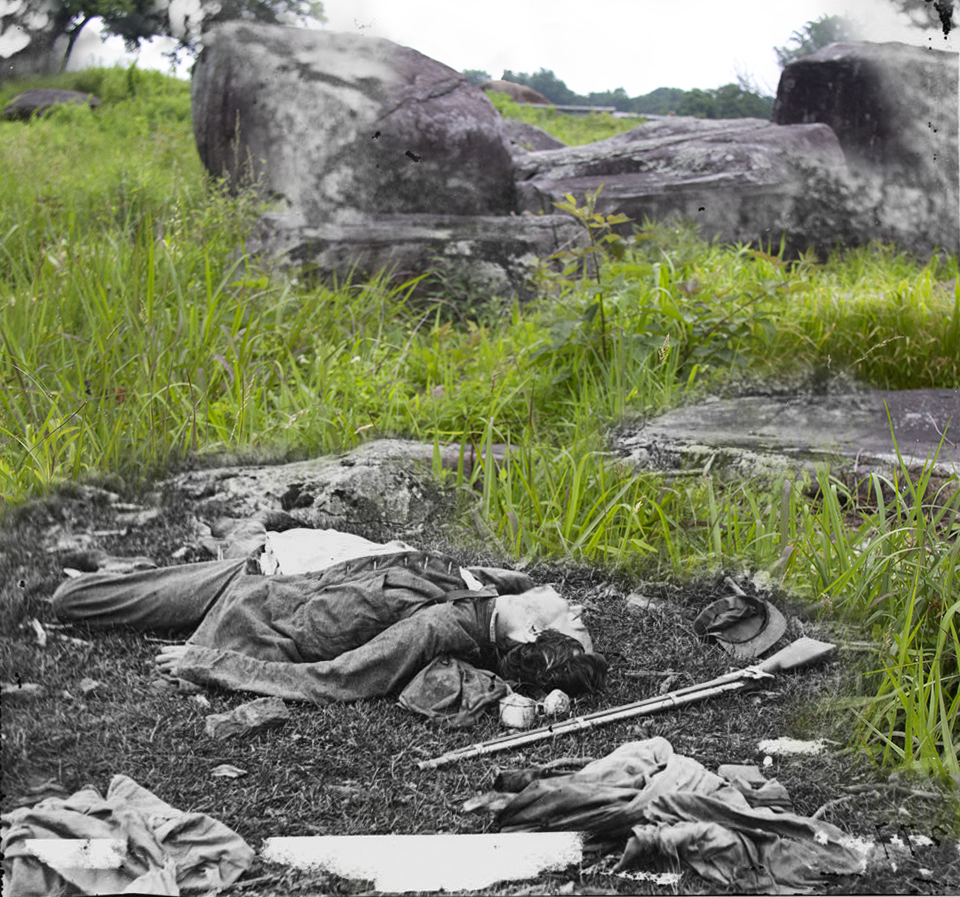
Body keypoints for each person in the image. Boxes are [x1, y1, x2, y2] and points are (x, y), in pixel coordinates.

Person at [51, 528, 607, 704]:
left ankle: (120, 578)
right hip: (283, 565)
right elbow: (520, 588)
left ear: (534, 630)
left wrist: (208, 662)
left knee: (70, 603)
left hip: (250, 604)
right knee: (84, 594)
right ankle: (123, 568)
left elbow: (335, 680)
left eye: (575, 619)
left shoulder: (442, 629)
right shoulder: (492, 595)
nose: (579, 608)